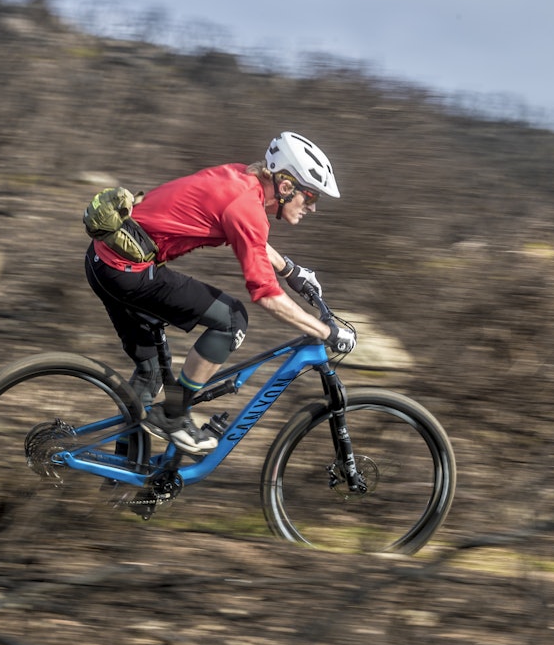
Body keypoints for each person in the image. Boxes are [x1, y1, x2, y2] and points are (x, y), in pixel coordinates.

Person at [84, 131, 357, 456]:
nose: (312, 208)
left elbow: (248, 235)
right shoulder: (246, 206)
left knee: (151, 371)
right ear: (285, 187)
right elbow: (265, 294)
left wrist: (291, 271)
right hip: (129, 273)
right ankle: (173, 417)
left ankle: (121, 474)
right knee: (232, 319)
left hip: (102, 260)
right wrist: (326, 331)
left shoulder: (239, 178)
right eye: (311, 197)